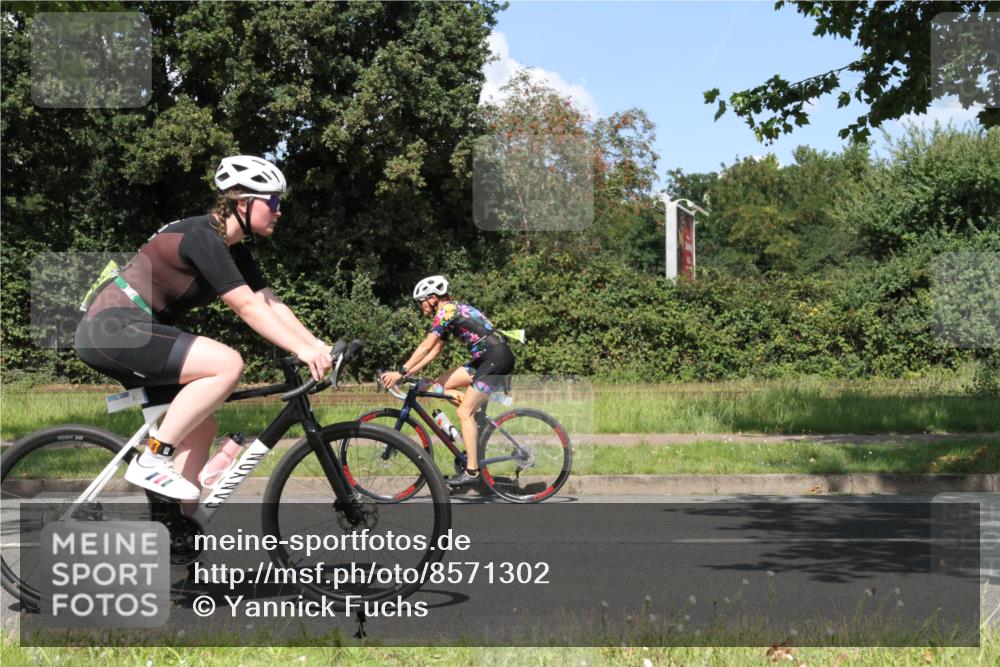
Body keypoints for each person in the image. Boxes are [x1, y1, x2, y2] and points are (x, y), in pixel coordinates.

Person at [74, 155, 333, 501]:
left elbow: (270, 303)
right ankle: (153, 457)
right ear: (243, 202)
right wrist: (301, 351)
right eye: (272, 200)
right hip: (113, 328)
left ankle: (181, 535)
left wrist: (317, 345)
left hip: (134, 330)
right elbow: (247, 307)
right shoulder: (204, 236)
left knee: (201, 427)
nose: (278, 210)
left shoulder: (232, 247)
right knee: (227, 363)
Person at [380, 276, 515, 487]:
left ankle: (472, 472)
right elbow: (434, 351)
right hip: (486, 359)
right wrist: (406, 375)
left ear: (433, 298)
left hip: (495, 358)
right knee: (440, 385)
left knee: (464, 413)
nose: (421, 307)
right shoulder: (452, 311)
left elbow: (426, 346)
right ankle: (474, 419)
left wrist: (400, 371)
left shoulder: (447, 311)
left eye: (422, 302)